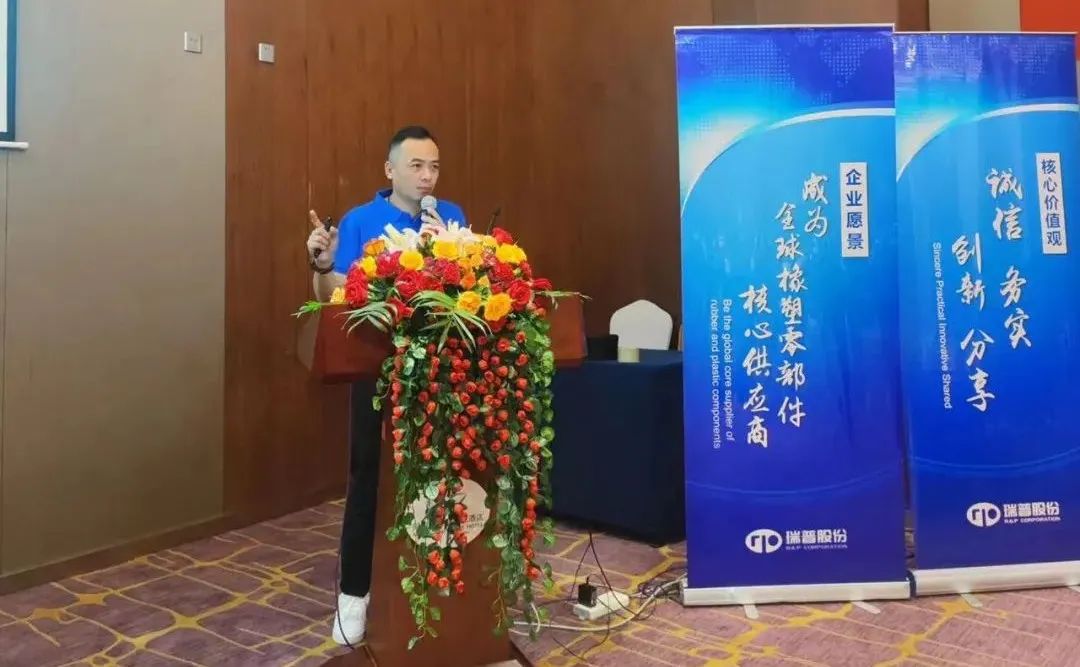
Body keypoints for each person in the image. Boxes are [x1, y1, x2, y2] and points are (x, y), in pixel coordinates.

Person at [305, 126, 466, 645]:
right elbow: (332, 294)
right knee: (368, 480)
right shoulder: (360, 221)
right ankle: (354, 595)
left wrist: (447, 247)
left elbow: (469, 291)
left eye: (434, 166)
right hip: (376, 373)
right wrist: (323, 264)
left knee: (443, 479)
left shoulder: (452, 216)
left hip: (441, 373)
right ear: (390, 170)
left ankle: (440, 588)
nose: (427, 176)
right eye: (416, 166)